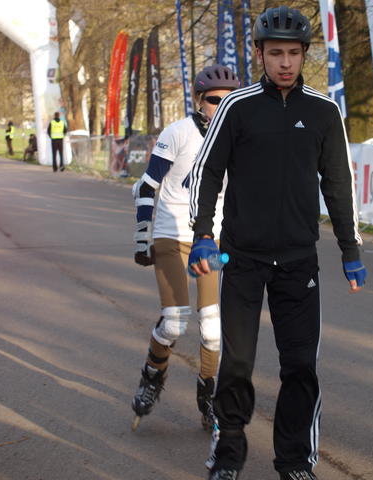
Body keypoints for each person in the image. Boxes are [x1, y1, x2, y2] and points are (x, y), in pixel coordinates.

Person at [188, 7, 367, 480]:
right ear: (259, 54)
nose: (285, 63)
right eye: (275, 53)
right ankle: (227, 457)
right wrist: (202, 234)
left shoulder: (323, 111)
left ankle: (295, 462)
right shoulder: (237, 106)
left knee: (301, 367)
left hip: (297, 262)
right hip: (243, 259)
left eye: (292, 53)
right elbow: (207, 172)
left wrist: (350, 250)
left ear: (304, 54)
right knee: (237, 364)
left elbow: (339, 185)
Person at [130, 65, 240, 432]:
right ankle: (151, 375)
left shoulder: (239, 137)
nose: (220, 106)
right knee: (175, 322)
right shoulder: (178, 133)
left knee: (212, 327)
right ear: (198, 101)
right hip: (171, 234)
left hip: (211, 239)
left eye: (228, 100)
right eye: (214, 100)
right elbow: (147, 186)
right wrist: (142, 235)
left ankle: (208, 395)